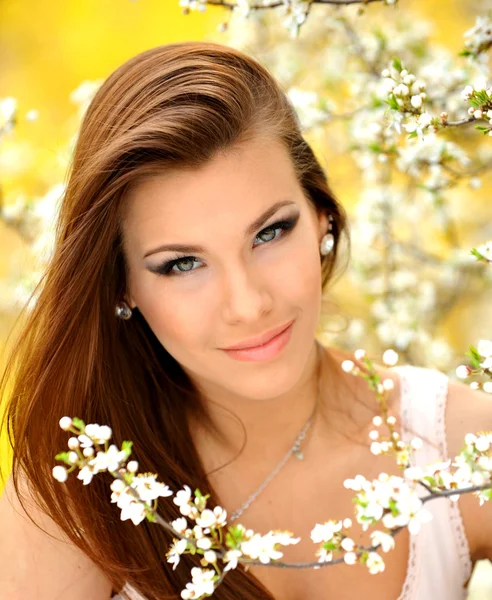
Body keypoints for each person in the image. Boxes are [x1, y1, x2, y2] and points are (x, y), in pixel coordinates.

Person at [0, 40, 491, 600]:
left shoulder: (455, 445)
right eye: (182, 264)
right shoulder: (84, 494)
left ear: (322, 216)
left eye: (270, 232)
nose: (248, 304)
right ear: (122, 284)